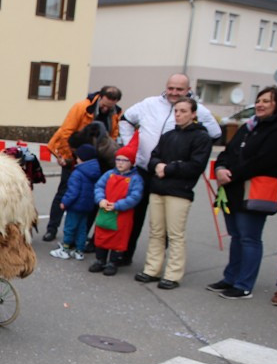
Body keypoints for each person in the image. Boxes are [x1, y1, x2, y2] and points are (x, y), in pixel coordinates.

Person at [117, 74, 222, 264]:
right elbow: (125, 119)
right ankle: (124, 254)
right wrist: (131, 148)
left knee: (164, 222)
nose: (174, 92)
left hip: (172, 175)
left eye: (179, 89)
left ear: (188, 90)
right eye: (171, 88)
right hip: (143, 167)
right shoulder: (149, 103)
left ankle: (156, 262)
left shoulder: (199, 111)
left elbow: (214, 134)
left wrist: (188, 152)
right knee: (134, 214)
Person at [132, 98, 212, 289]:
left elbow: (195, 165)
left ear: (193, 114)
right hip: (158, 189)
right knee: (156, 232)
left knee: (175, 235)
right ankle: (152, 269)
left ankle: (173, 274)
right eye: (176, 111)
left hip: (179, 192)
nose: (178, 114)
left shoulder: (202, 138)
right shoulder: (168, 135)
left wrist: (168, 168)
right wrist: (158, 165)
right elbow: (153, 157)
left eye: (183, 111)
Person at [209, 86, 277, 299]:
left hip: (254, 191)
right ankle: (230, 278)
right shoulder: (248, 127)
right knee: (237, 236)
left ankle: (244, 285)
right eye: (259, 100)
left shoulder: (276, 129)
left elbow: (264, 160)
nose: (260, 104)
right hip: (233, 189)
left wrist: (231, 173)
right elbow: (228, 152)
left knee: (250, 238)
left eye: (267, 101)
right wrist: (220, 168)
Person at [42, 86, 123, 242]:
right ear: (100, 97)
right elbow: (67, 132)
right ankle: (52, 229)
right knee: (64, 193)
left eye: (110, 107)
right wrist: (68, 157)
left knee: (91, 198)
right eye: (104, 105)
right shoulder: (81, 107)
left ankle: (81, 234)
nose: (105, 109)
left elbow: (113, 137)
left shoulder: (116, 113)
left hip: (96, 162)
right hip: (75, 157)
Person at [89, 141, 144, 276]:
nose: (120, 163)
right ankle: (100, 260)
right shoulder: (108, 174)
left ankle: (113, 262)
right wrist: (101, 200)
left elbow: (135, 197)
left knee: (118, 240)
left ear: (131, 162)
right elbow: (99, 187)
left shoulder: (136, 179)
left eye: (124, 160)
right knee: (101, 236)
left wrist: (118, 205)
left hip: (122, 215)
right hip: (105, 210)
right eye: (118, 159)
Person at [49, 143, 99, 261]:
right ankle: (79, 251)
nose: (76, 159)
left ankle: (65, 249)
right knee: (82, 229)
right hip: (87, 206)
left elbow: (72, 191)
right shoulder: (95, 171)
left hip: (75, 206)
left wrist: (64, 202)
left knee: (69, 227)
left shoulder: (78, 173)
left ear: (82, 159)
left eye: (77, 157)